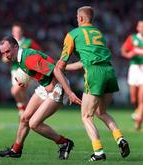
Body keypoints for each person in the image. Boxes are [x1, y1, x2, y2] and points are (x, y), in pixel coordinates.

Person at [55, 6, 130, 161]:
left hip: (95, 73)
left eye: (77, 17)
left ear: (81, 18)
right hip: (109, 71)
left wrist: (58, 67)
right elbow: (84, 61)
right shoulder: (98, 33)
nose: (76, 19)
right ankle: (120, 138)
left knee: (86, 115)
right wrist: (67, 67)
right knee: (101, 112)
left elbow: (61, 65)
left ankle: (98, 152)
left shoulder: (73, 34)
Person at [0, 36, 81, 159]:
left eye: (8, 51)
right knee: (25, 118)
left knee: (34, 123)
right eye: (3, 53)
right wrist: (27, 80)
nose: (6, 55)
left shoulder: (28, 58)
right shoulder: (21, 59)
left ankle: (65, 143)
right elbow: (40, 71)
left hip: (58, 88)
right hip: (45, 87)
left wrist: (70, 92)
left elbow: (56, 70)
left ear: (16, 47)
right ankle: (16, 150)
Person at [2, 22, 41, 115]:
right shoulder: (9, 44)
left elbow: (39, 53)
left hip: (25, 71)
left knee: (15, 91)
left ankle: (22, 109)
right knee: (22, 93)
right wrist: (8, 57)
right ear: (12, 32)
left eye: (19, 31)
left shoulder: (28, 42)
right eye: (15, 31)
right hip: (14, 71)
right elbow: (4, 59)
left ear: (22, 32)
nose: (17, 33)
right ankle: (26, 111)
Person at [121, 20, 143, 130]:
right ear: (138, 28)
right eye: (140, 26)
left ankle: (138, 119)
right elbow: (124, 51)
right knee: (134, 99)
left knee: (141, 98)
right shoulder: (132, 38)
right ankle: (139, 113)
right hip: (134, 68)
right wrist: (129, 54)